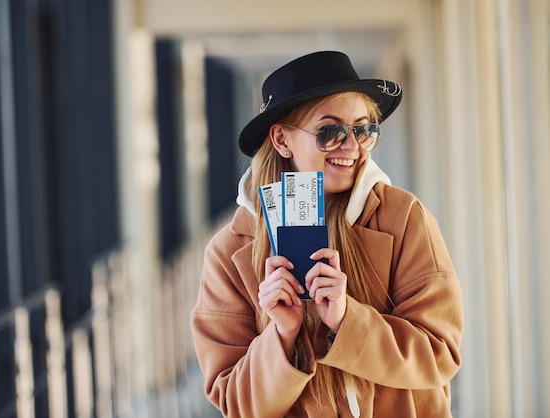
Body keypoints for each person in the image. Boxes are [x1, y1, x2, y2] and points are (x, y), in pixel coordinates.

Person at [191, 51, 463, 417]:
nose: (351, 147)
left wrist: (348, 320)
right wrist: (284, 336)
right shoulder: (229, 253)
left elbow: (439, 354)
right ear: (282, 140)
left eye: (364, 130)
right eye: (331, 132)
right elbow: (236, 404)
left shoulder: (403, 219)